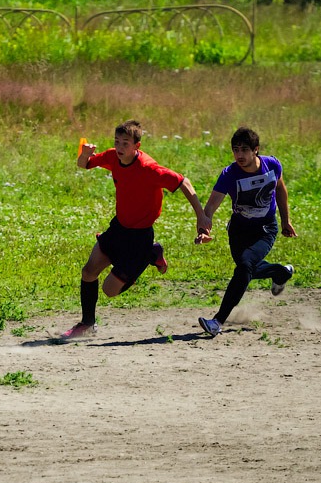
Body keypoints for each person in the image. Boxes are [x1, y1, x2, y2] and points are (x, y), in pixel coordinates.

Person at [62, 120, 211, 339]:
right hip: (118, 229)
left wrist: (201, 215)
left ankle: (151, 253)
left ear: (136, 146)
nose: (120, 147)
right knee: (88, 272)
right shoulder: (113, 156)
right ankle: (87, 324)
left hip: (140, 238)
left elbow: (183, 182)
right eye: (117, 141)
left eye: (125, 143)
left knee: (109, 290)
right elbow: (83, 165)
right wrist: (84, 154)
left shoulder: (149, 169)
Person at [195, 126, 297, 337]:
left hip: (265, 229)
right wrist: (204, 229)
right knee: (246, 269)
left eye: (244, 150)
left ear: (255, 150)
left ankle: (217, 321)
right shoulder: (229, 174)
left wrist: (286, 221)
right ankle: (280, 272)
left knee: (244, 267)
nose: (239, 155)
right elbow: (211, 206)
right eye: (235, 150)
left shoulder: (272, 165)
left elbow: (280, 189)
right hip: (239, 230)